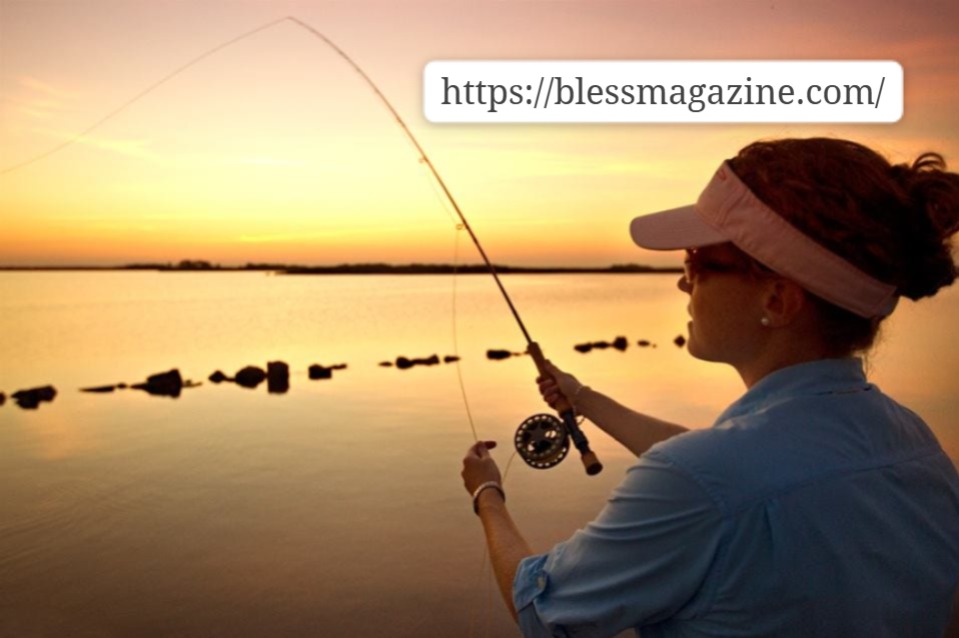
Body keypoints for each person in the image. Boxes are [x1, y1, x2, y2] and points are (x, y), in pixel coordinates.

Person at [461, 137, 959, 637]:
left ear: (779, 298)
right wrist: (583, 397)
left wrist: (488, 494)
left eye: (698, 261)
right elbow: (727, 473)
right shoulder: (918, 449)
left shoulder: (703, 478)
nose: (683, 282)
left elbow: (542, 613)